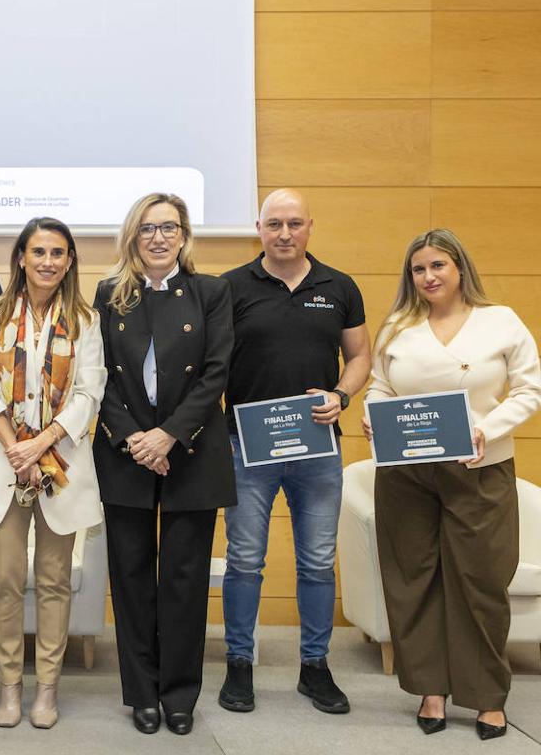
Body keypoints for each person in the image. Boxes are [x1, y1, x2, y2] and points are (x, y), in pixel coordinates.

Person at [363, 229, 541, 741]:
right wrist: (375, 414)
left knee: (481, 580)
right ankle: (431, 690)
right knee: (412, 578)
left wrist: (488, 429)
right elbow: (379, 385)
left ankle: (487, 697)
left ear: (460, 268)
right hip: (405, 473)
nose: (429, 277)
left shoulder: (500, 321)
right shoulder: (399, 326)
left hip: (479, 469)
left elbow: (529, 389)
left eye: (438, 266)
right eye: (419, 269)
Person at [217, 188, 370, 714]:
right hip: (245, 446)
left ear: (310, 227)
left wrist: (341, 394)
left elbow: (359, 355)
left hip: (319, 447)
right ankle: (240, 664)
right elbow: (209, 366)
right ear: (258, 227)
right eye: (274, 223)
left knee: (318, 562)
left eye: (295, 223)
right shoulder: (230, 287)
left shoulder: (340, 286)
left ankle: (315, 667)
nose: (285, 233)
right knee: (243, 560)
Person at [92, 193, 234, 736]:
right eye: (147, 228)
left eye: (168, 228)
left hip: (192, 453)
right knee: (130, 578)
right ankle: (141, 693)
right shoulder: (110, 295)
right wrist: (135, 440)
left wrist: (169, 436)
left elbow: (216, 372)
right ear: (133, 236)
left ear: (183, 235)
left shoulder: (211, 292)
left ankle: (179, 695)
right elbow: (96, 376)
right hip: (126, 453)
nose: (158, 237)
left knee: (184, 578)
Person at [0, 218, 105, 729]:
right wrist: (13, 445)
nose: (47, 261)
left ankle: (46, 688)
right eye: (38, 251)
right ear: (21, 256)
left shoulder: (86, 319)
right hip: (3, 463)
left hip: (60, 464)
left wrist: (40, 443)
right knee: (4, 580)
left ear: (69, 261)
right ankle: (9, 686)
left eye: (58, 253)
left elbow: (90, 394)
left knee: (54, 581)